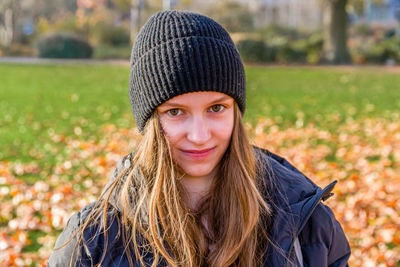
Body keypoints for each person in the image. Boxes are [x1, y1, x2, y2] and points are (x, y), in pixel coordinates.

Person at [48, 10, 350, 267]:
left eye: (216, 108)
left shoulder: (309, 229)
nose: (199, 135)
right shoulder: (91, 243)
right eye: (176, 111)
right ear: (150, 121)